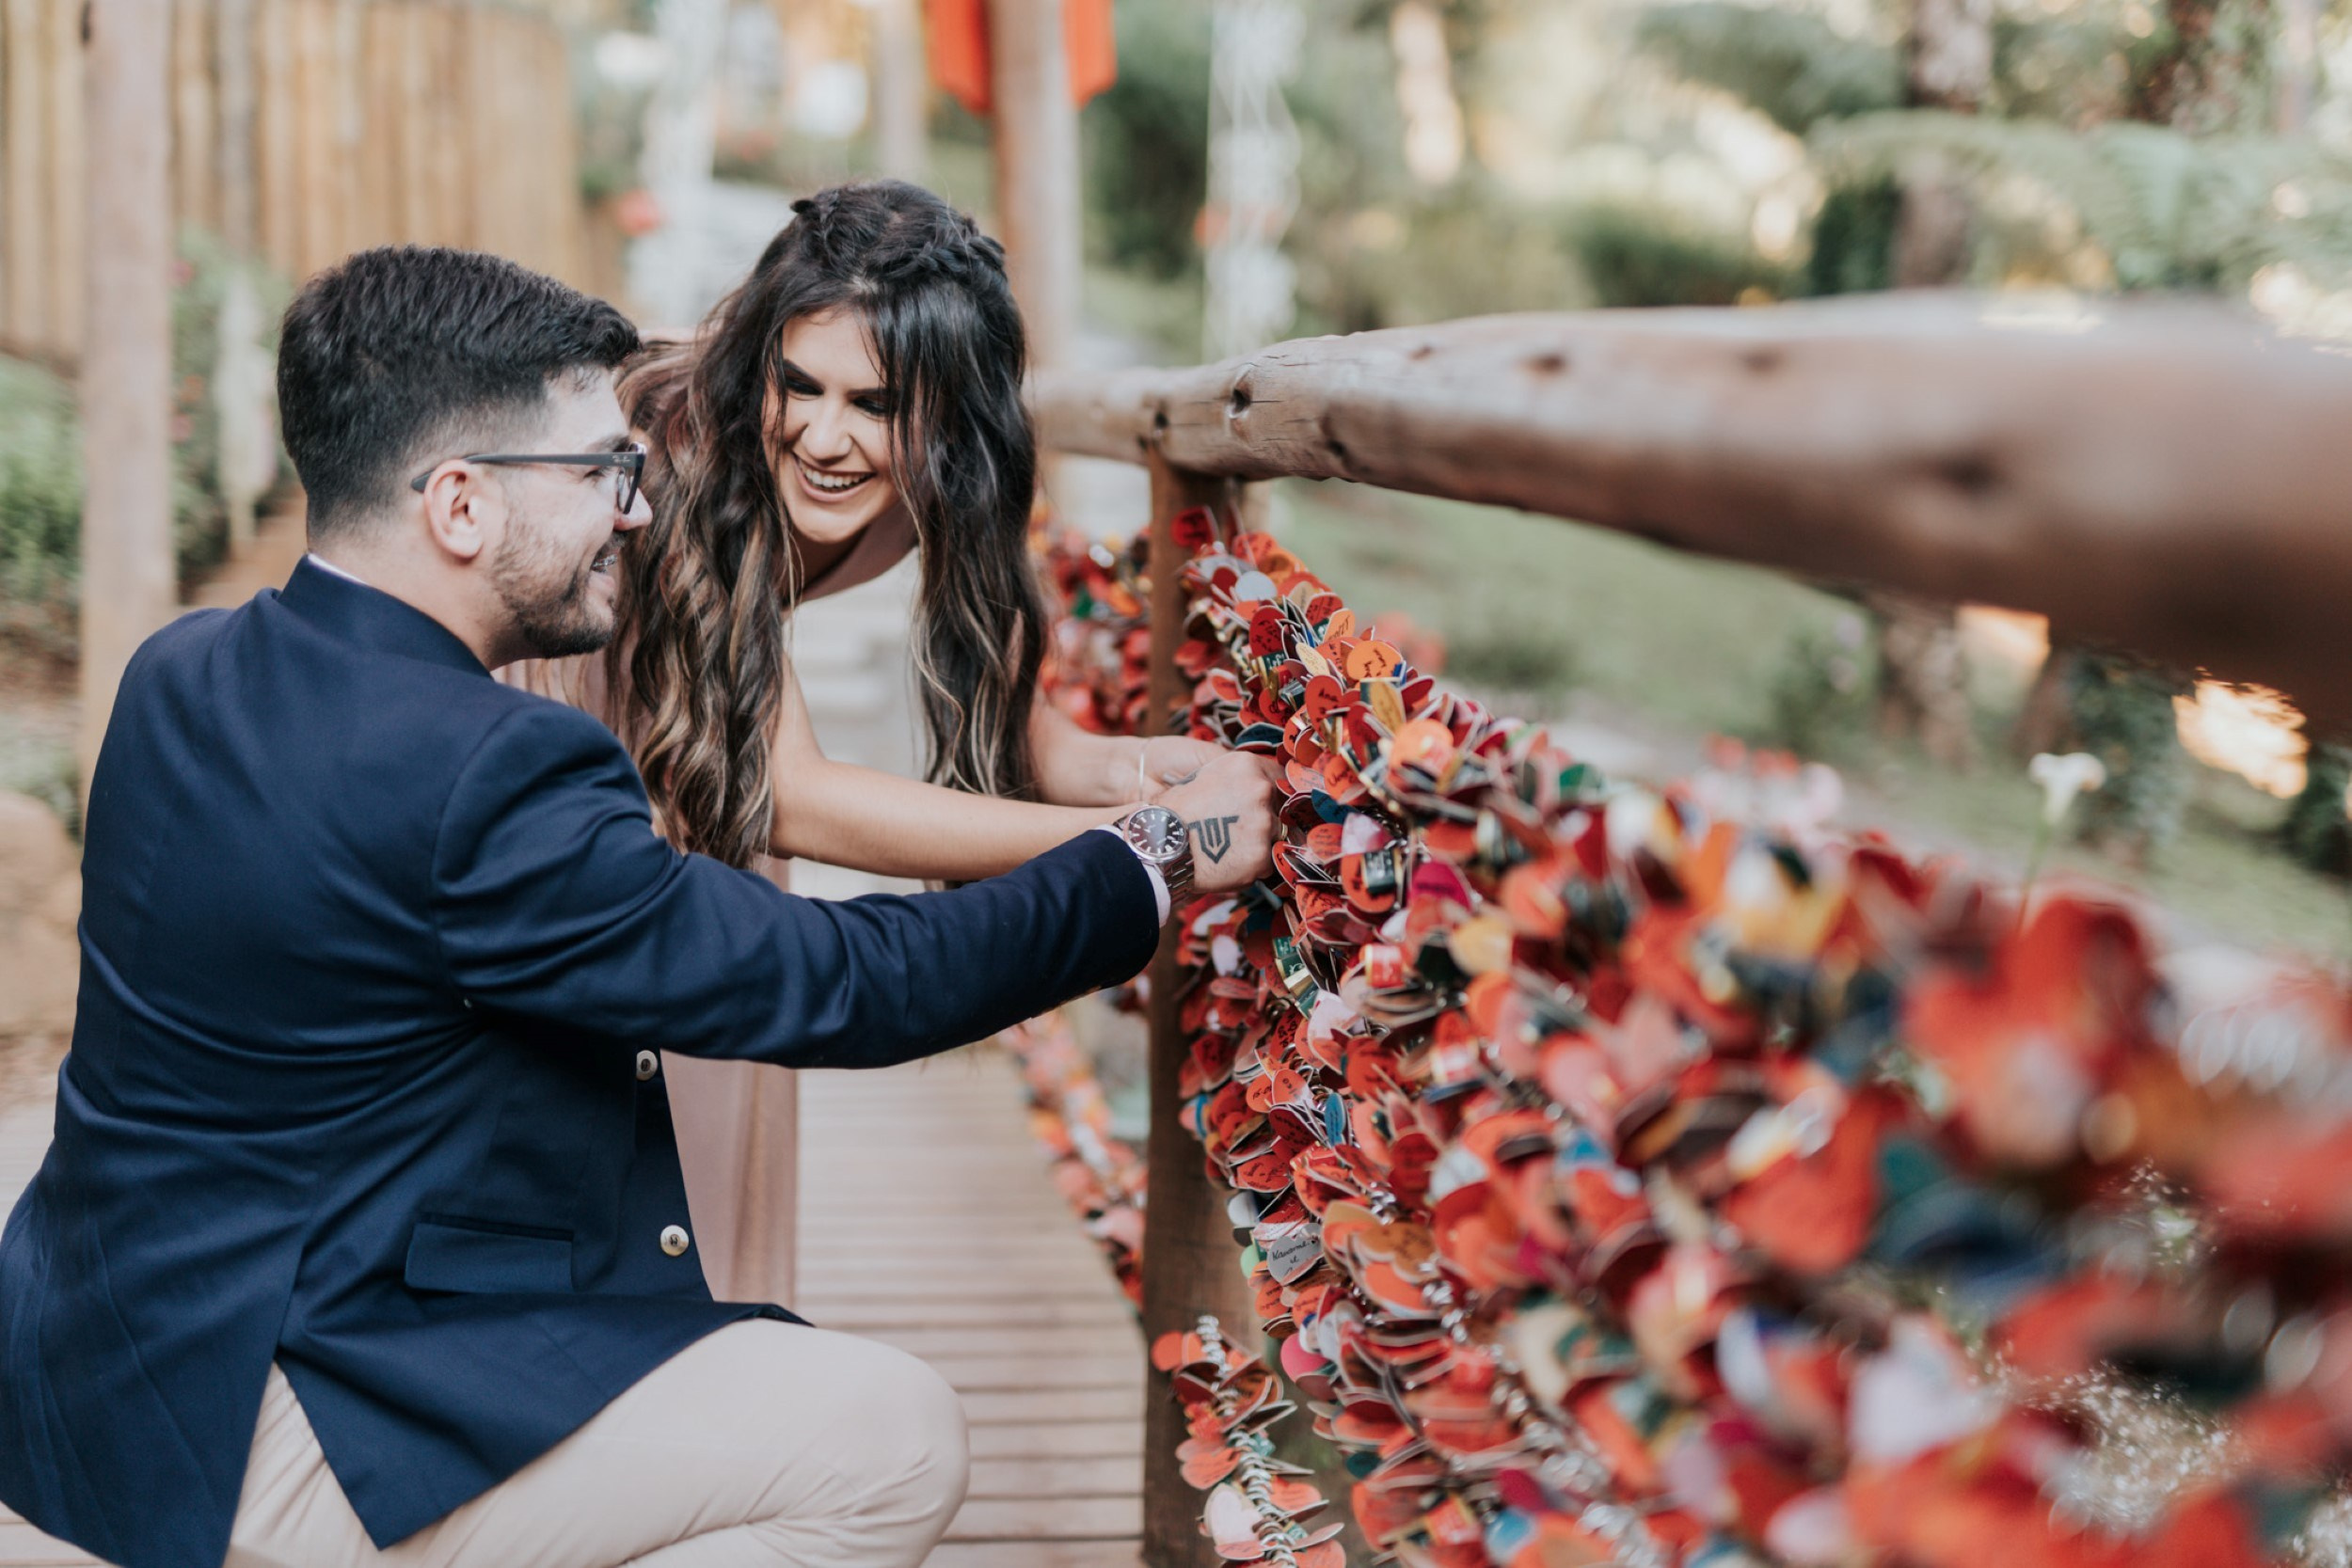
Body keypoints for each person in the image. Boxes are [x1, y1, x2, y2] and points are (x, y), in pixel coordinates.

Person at [0, 245, 1276, 1568]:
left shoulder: (178, 668)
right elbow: (841, 981)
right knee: (893, 1438)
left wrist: (1102, 783)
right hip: (276, 1418)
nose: (634, 511)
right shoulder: (490, 770)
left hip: (89, 1367)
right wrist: (1149, 857)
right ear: (460, 505)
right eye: (602, 473)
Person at [504, 180, 1227, 1304]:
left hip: (706, 758)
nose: (823, 435)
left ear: (952, 415)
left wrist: (1132, 772)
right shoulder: (685, 452)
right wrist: (1144, 844)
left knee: (715, 1112)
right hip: (577, 751)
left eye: (875, 405)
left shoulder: (949, 476)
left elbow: (1013, 710)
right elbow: (795, 794)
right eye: (798, 384)